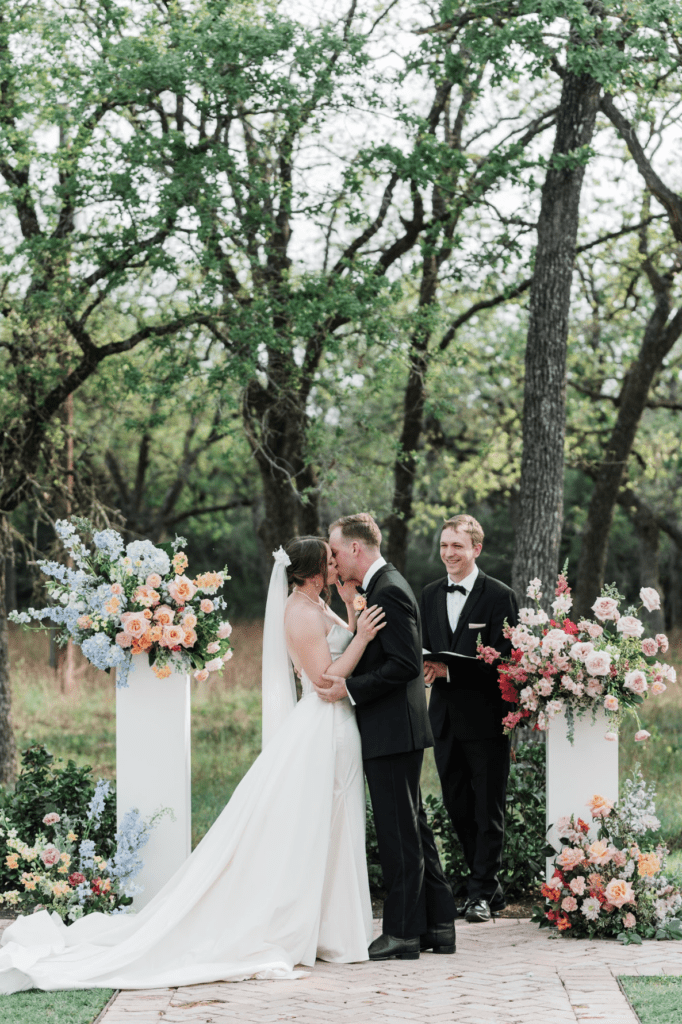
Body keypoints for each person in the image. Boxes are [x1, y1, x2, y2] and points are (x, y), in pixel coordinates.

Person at [0, 537, 386, 993]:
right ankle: (310, 927)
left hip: (336, 728)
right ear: (313, 572)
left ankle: (334, 928)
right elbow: (326, 677)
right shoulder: (299, 612)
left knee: (334, 822)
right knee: (311, 824)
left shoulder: (318, 604)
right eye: (330, 561)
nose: (338, 565)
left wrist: (351, 613)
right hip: (319, 727)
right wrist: (360, 635)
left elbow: (341, 647)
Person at [317, 514, 456, 961]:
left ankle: (401, 933)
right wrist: (350, 602)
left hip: (392, 730)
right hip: (397, 729)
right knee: (413, 827)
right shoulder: (377, 588)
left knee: (399, 835)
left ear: (356, 549)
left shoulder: (390, 590)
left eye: (336, 553)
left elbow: (404, 665)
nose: (334, 562)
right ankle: (438, 924)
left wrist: (350, 689)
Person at [420, 514, 519, 923]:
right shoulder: (427, 594)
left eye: (456, 546)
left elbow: (509, 662)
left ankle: (479, 893)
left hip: (486, 720)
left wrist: (451, 670)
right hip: (443, 718)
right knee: (457, 806)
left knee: (487, 810)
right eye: (444, 546)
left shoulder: (500, 596)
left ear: (476, 548)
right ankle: (489, 889)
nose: (448, 554)